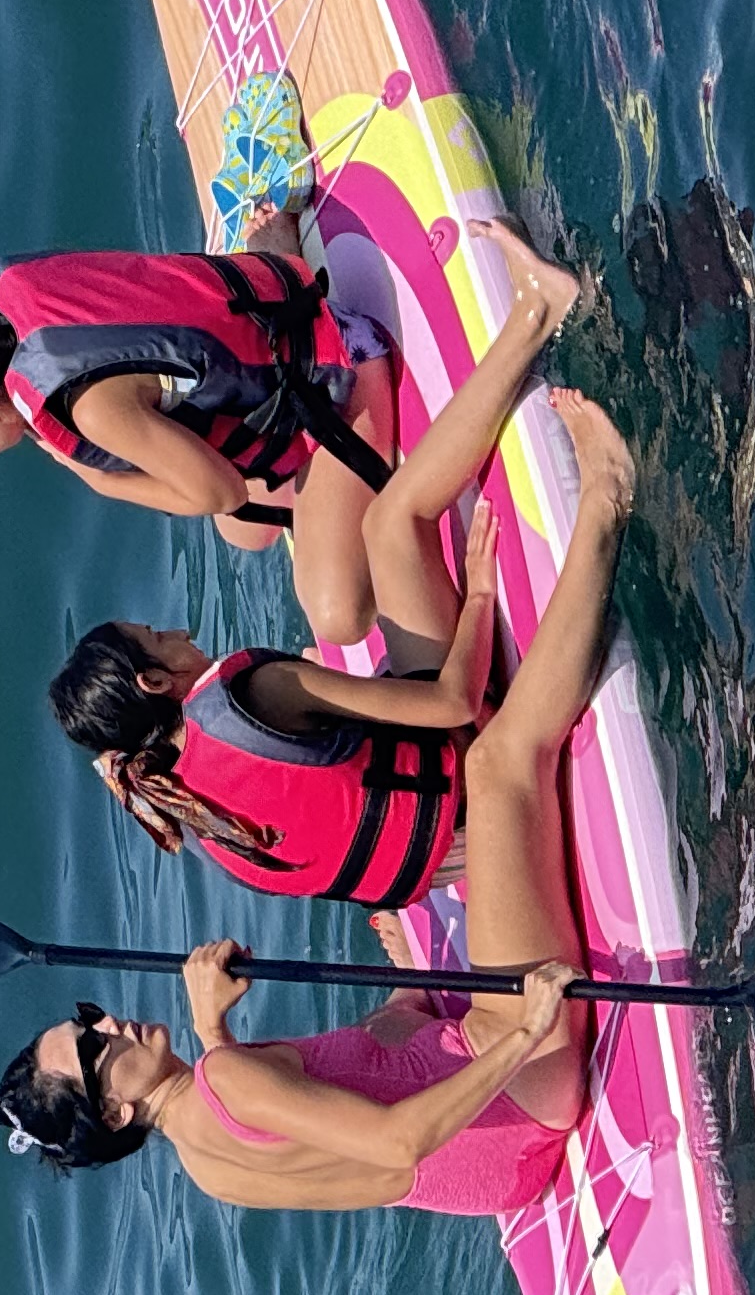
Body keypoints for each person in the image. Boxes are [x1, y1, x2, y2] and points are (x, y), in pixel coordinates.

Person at [0, 388, 636, 1215]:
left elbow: (347, 1117)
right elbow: (399, 1141)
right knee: (503, 766)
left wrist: (401, 989)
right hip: (520, 1091)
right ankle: (609, 496)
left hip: (492, 1179)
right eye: (91, 1045)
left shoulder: (208, 1164)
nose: (107, 1023)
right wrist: (531, 1027)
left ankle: (446, 1001)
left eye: (86, 1018)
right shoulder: (224, 1079)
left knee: (387, 1030)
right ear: (113, 1112)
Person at [42, 221, 582, 901]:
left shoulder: (194, 811)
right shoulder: (254, 693)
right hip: (480, 769)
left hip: (473, 854)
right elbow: (450, 702)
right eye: (157, 638)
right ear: (153, 681)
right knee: (393, 524)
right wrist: (476, 597)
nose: (176, 632)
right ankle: (537, 313)